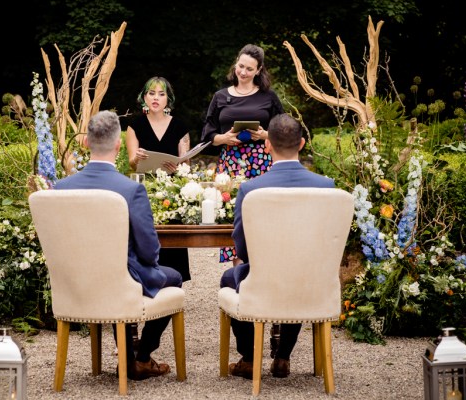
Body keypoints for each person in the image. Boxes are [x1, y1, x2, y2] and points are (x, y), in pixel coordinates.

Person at [54, 110, 183, 381]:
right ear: (117, 145)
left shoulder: (60, 188)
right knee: (173, 277)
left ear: (86, 143)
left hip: (73, 283)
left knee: (123, 274)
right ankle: (142, 357)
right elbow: (149, 251)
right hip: (120, 282)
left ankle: (131, 359)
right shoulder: (130, 190)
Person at [220, 113, 335, 380]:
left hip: (263, 278)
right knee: (297, 275)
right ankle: (282, 357)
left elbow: (242, 246)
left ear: (267, 144)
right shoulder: (326, 186)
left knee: (229, 277)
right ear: (302, 143)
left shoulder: (251, 189)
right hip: (311, 280)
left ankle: (249, 358)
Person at [201, 44, 285, 265]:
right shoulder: (220, 96)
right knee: (233, 216)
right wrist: (223, 139)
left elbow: (284, 128)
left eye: (249, 69)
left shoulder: (269, 97)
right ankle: (238, 275)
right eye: (241, 66)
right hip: (231, 164)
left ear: (258, 70)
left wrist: (265, 134)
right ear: (235, 63)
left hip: (262, 162)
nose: (243, 72)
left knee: (263, 213)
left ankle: (265, 267)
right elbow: (207, 133)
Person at [126, 76, 191, 282]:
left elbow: (186, 165)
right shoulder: (135, 125)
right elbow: (132, 163)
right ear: (144, 97)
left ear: (168, 100)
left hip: (172, 193)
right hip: (145, 190)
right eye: (151, 93)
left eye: (161, 94)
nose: (156, 98)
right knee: (146, 239)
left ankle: (174, 292)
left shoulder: (180, 127)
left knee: (172, 245)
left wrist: (179, 166)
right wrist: (137, 157)